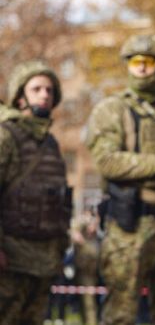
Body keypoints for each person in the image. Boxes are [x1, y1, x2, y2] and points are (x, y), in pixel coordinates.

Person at [85, 34, 155, 325]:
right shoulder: (112, 109)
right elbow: (107, 161)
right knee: (120, 313)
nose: (142, 68)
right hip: (130, 226)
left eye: (149, 61)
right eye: (135, 62)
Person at [0, 61, 71, 325]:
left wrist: (60, 246)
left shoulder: (49, 142)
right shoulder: (6, 136)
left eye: (50, 90)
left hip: (43, 260)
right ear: (19, 97)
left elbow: (58, 199)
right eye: (36, 89)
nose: (45, 94)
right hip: (10, 262)